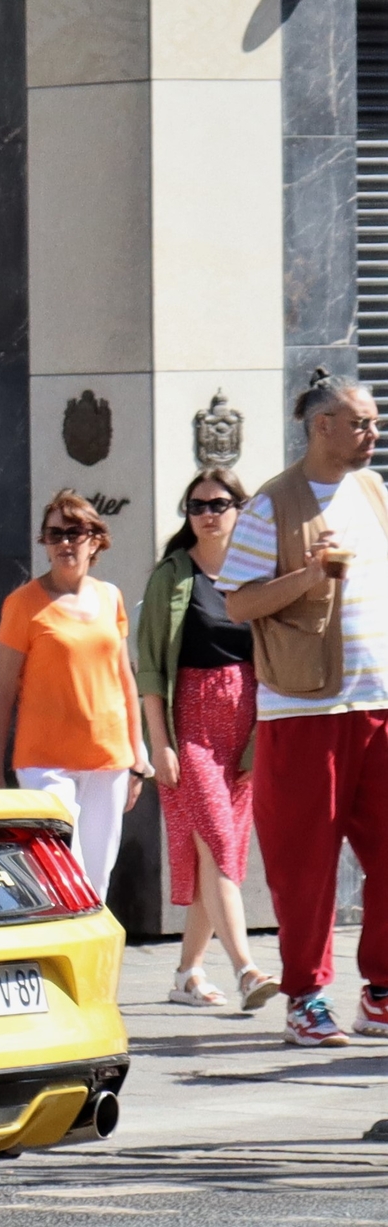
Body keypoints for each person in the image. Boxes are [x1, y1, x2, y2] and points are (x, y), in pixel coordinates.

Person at [214, 373, 388, 1048]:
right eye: (361, 422)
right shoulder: (271, 506)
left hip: (378, 702)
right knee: (306, 864)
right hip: (304, 710)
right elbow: (237, 603)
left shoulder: (374, 492)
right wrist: (310, 576)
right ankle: (306, 999)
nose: (373, 432)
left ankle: (379, 994)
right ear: (321, 426)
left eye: (373, 421)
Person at [136, 467, 277, 1011]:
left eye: (218, 504)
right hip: (190, 727)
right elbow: (149, 668)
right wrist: (160, 742)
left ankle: (187, 972)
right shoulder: (172, 576)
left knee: (218, 858)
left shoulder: (254, 576)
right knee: (218, 846)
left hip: (244, 729)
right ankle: (246, 969)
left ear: (239, 508)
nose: (207, 514)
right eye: (196, 506)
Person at [0, 492, 152, 898]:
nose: (64, 543)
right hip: (44, 762)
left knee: (96, 882)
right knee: (59, 874)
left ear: (94, 540)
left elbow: (124, 677)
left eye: (74, 533)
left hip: (107, 758)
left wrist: (138, 752)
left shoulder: (110, 596)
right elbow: (2, 689)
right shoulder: (22, 604)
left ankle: (93, 963)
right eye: (54, 534)